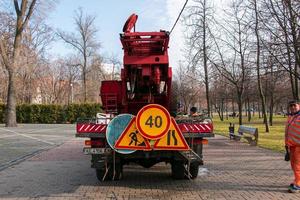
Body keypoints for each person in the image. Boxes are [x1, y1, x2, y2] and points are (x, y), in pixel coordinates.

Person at [285, 100, 300, 193]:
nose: (293, 107)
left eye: (295, 105)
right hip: (291, 145)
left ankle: (298, 184)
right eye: (291, 106)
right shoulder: (291, 116)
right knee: (294, 165)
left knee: (297, 166)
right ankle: (296, 180)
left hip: (298, 145)